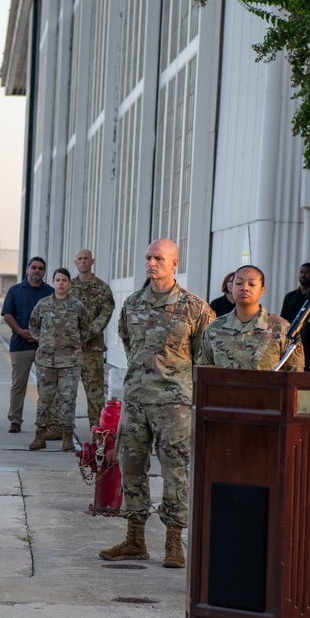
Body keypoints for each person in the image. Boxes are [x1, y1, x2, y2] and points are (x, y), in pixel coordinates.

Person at [99, 238, 215, 569]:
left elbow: (204, 357)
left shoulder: (195, 308)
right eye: (148, 257)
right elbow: (128, 342)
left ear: (175, 263)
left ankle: (173, 542)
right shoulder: (133, 303)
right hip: (136, 401)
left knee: (175, 473)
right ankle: (135, 539)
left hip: (174, 404)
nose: (152, 263)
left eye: (159, 258)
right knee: (131, 468)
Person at [28, 267, 91, 451]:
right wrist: (45, 341)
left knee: (68, 400)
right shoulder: (43, 305)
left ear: (69, 283)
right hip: (46, 361)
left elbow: (85, 329)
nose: (61, 283)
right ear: (53, 282)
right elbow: (33, 325)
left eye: (64, 280)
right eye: (58, 280)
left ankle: (67, 438)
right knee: (45, 399)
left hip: (70, 362)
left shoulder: (77, 306)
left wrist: (73, 343)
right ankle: (40, 435)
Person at [198, 265, 304, 371]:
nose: (244, 288)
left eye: (252, 284)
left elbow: (294, 375)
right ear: (232, 287)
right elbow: (204, 370)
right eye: (239, 283)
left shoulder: (281, 328)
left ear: (262, 290)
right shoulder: (215, 328)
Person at [1, 257, 54, 433]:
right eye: (34, 267)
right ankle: (15, 420)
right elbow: (8, 314)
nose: (36, 271)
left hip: (44, 347)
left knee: (46, 386)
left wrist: (40, 335)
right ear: (27, 269)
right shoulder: (15, 290)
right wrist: (21, 331)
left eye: (40, 268)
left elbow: (56, 319)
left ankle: (45, 422)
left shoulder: (51, 292)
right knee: (18, 384)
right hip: (20, 344)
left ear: (44, 272)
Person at [70, 249, 115, 435]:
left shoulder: (102, 289)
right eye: (79, 259)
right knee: (65, 391)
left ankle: (97, 430)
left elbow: (105, 315)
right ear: (75, 262)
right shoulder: (68, 287)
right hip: (70, 350)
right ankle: (60, 428)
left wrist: (86, 335)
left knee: (95, 393)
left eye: (86, 258)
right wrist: (72, 337)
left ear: (92, 261)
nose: (83, 262)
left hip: (92, 350)